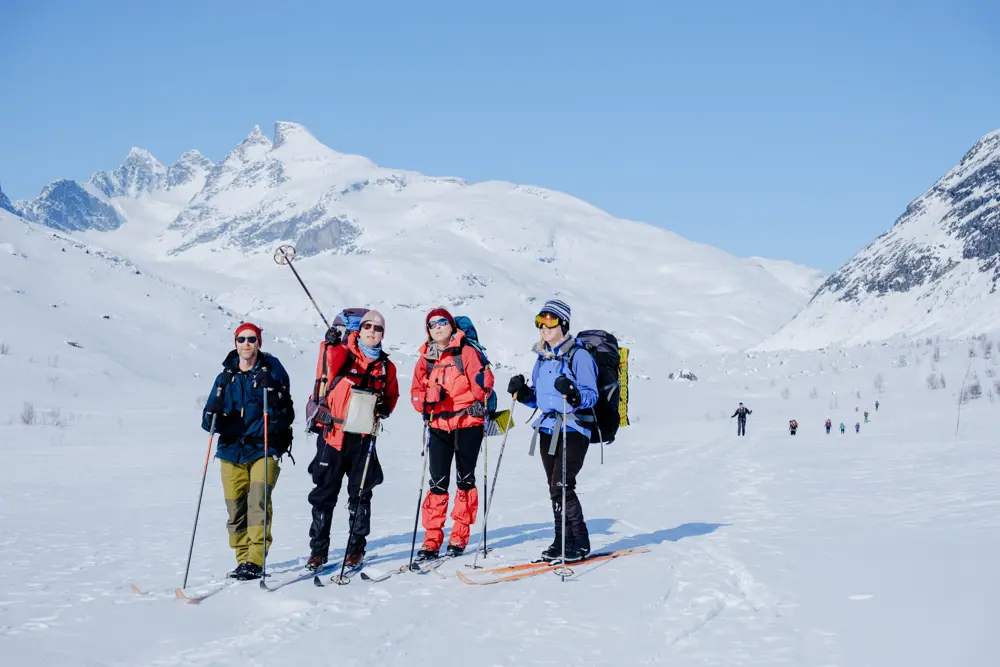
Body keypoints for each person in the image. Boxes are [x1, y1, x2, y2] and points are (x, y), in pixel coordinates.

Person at [305, 310, 399, 571]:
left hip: (363, 440)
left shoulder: (386, 367)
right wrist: (331, 341)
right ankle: (318, 552)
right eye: (367, 326)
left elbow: (392, 396)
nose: (372, 331)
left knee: (360, 495)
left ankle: (356, 550)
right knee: (324, 495)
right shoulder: (344, 354)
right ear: (360, 329)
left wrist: (384, 408)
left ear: (383, 334)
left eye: (377, 328)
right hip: (333, 438)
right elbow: (328, 360)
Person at [507, 299, 599, 562]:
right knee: (554, 487)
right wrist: (523, 393)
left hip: (574, 428)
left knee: (563, 484)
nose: (543, 326)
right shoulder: (542, 358)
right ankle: (561, 540)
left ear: (564, 324)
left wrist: (572, 394)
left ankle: (580, 541)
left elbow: (591, 396)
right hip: (547, 428)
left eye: (549, 320)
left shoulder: (579, 356)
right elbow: (538, 398)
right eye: (540, 320)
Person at [201, 323, 294, 581]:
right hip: (231, 450)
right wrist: (212, 413)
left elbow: (288, 414)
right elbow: (207, 423)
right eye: (241, 339)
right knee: (235, 507)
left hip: (263, 447)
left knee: (258, 501)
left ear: (259, 343)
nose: (246, 344)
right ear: (235, 343)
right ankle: (242, 558)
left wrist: (273, 392)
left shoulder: (272, 372)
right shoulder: (224, 379)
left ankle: (255, 560)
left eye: (251, 339)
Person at [411, 307, 495, 560]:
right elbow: (415, 393)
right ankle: (431, 540)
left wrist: (476, 399)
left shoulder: (466, 351)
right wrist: (428, 398)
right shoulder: (425, 358)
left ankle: (459, 537)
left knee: (465, 479)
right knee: (436, 483)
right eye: (432, 324)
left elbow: (484, 383)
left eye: (442, 322)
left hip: (467, 423)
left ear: (451, 326)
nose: (437, 327)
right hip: (438, 425)